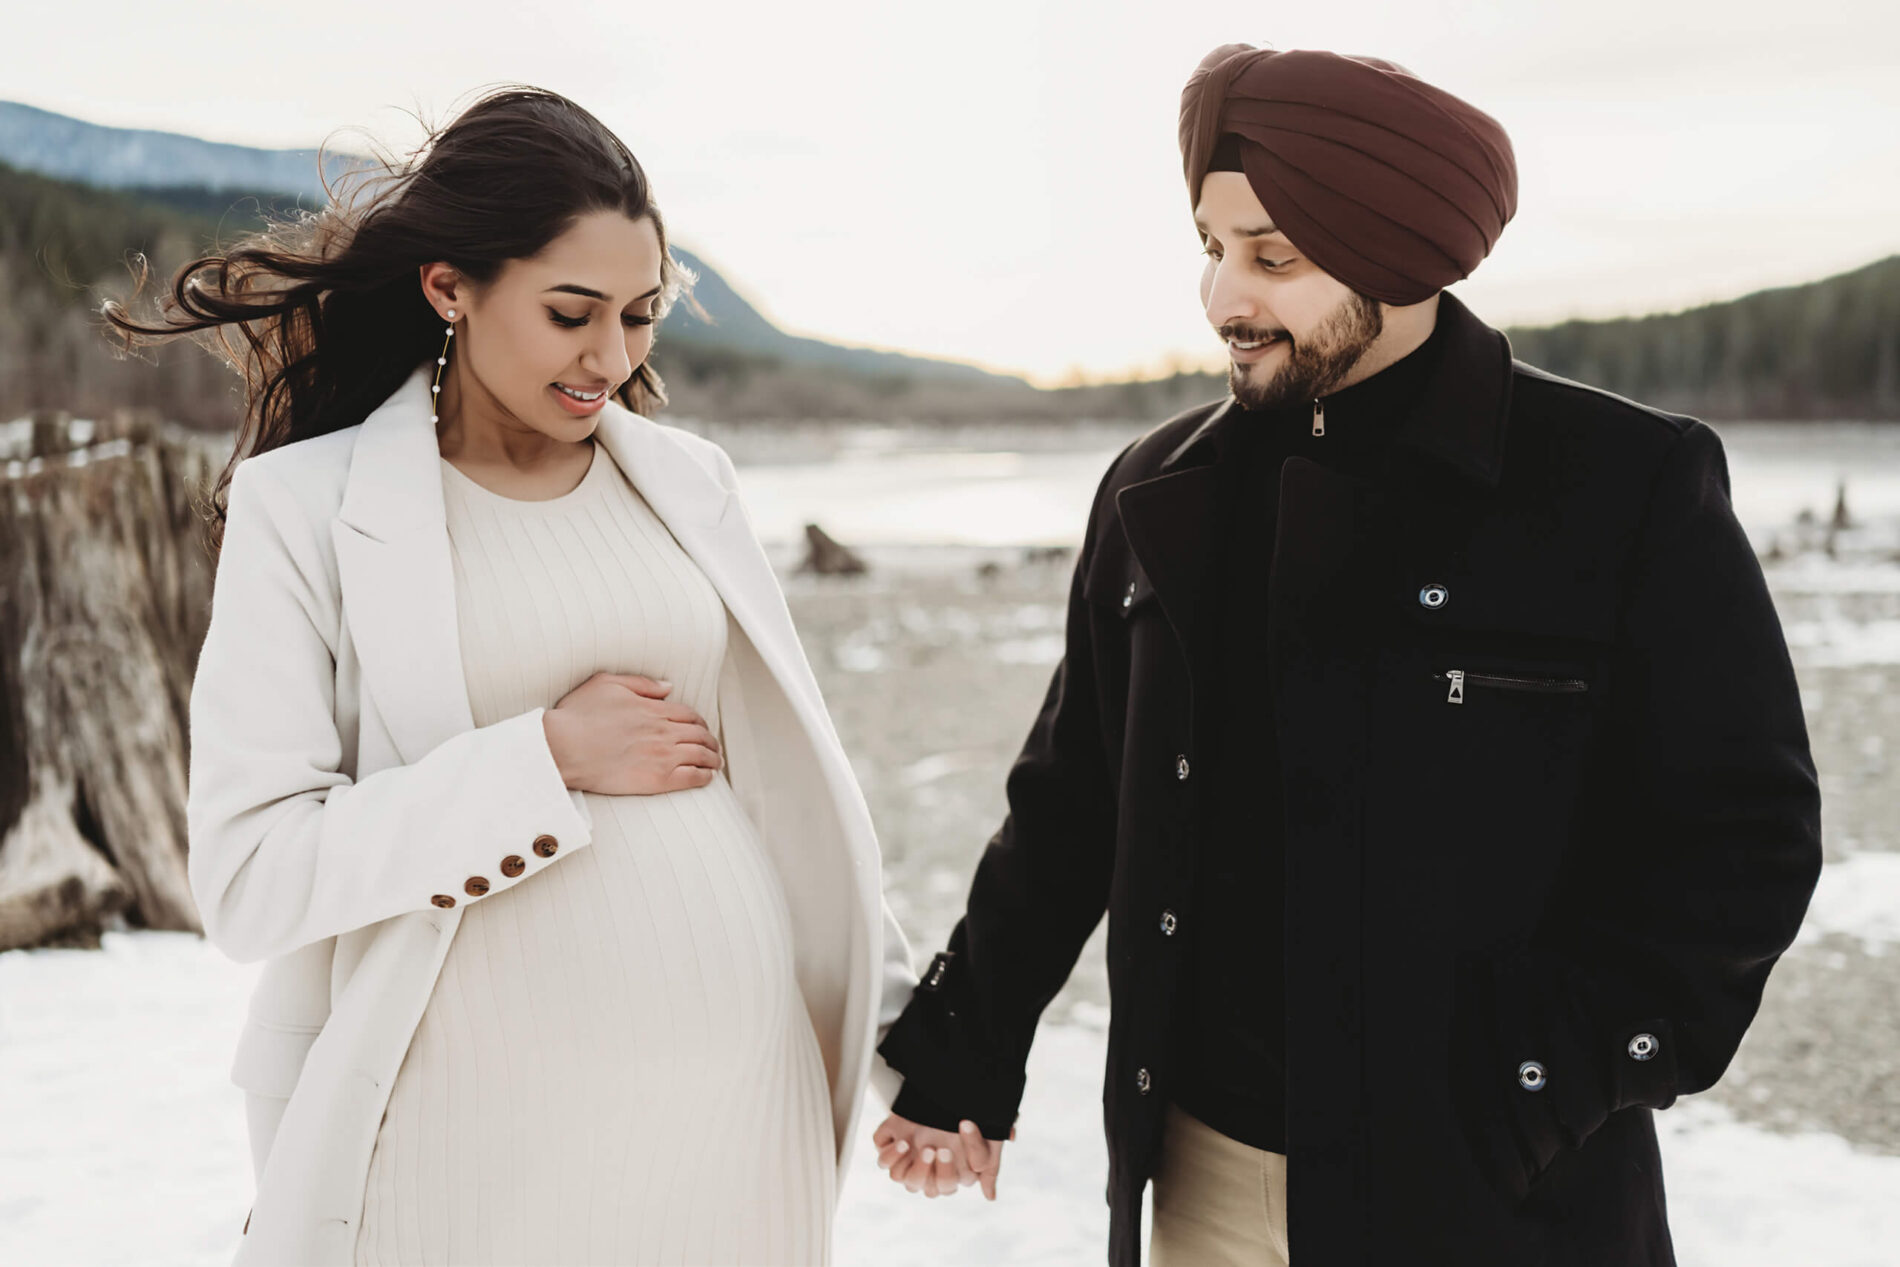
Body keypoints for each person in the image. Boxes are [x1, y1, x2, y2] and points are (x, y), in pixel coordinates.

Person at [869, 42, 1824, 1267]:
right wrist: (966, 1056)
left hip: (1492, 1199)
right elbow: (1071, 803)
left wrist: (1549, 1079)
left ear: (1400, 252)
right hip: (1201, 1183)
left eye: (1273, 256)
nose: (1224, 299)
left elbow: (1745, 834)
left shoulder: (1620, 487)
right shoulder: (1158, 488)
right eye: (1213, 248)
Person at [107, 86, 918, 1265]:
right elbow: (250, 874)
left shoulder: (691, 485)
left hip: (740, 1124)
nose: (612, 357)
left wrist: (918, 1051)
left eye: (641, 316)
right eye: (570, 312)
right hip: (468, 1143)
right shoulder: (309, 509)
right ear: (451, 288)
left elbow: (798, 791)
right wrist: (543, 758)